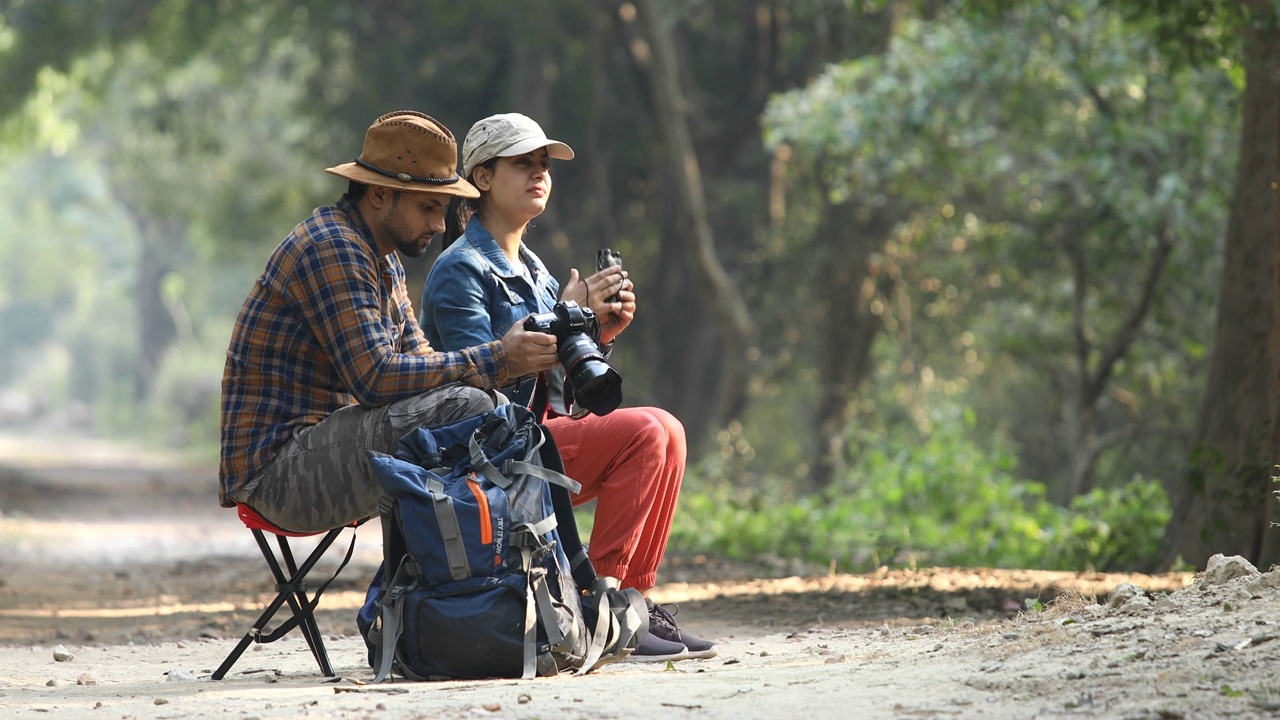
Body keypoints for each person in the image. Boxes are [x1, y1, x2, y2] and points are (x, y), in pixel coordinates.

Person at [419, 112, 716, 662]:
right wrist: (564, 316)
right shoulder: (460, 269)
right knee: (649, 431)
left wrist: (596, 333)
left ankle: (633, 603)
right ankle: (600, 609)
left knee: (667, 431)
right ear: (482, 178)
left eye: (543, 165)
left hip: (540, 435)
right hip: (488, 456)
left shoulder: (534, 269)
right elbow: (473, 389)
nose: (539, 174)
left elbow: (564, 392)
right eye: (522, 164)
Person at [219, 110, 561, 537]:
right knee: (473, 409)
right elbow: (375, 378)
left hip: (322, 451)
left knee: (485, 409)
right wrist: (498, 357)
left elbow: (421, 360)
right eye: (427, 207)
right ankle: (518, 570)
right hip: (277, 476)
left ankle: (484, 576)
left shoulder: (382, 258)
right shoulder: (333, 247)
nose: (440, 225)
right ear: (379, 195)